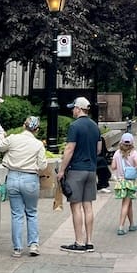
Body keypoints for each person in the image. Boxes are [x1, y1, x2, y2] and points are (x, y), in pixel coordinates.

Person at [0, 115, 47, 257]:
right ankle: (33, 245)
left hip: (13, 177)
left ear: (23, 125)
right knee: (31, 212)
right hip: (30, 179)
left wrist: (0, 136)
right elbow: (43, 165)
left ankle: (17, 248)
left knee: (16, 214)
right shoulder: (38, 144)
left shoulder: (13, 138)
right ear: (37, 130)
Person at [56, 97, 100, 252]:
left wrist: (61, 170)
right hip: (91, 170)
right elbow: (99, 149)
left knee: (76, 207)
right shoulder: (95, 126)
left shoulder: (75, 126)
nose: (72, 110)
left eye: (73, 108)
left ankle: (79, 242)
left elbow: (69, 149)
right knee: (88, 206)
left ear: (79, 109)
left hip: (76, 170)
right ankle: (89, 241)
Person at [112, 131, 137, 234]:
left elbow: (113, 167)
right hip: (129, 182)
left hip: (120, 181)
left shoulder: (117, 153)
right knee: (125, 204)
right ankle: (121, 227)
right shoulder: (134, 153)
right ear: (132, 143)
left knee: (129, 203)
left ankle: (132, 224)